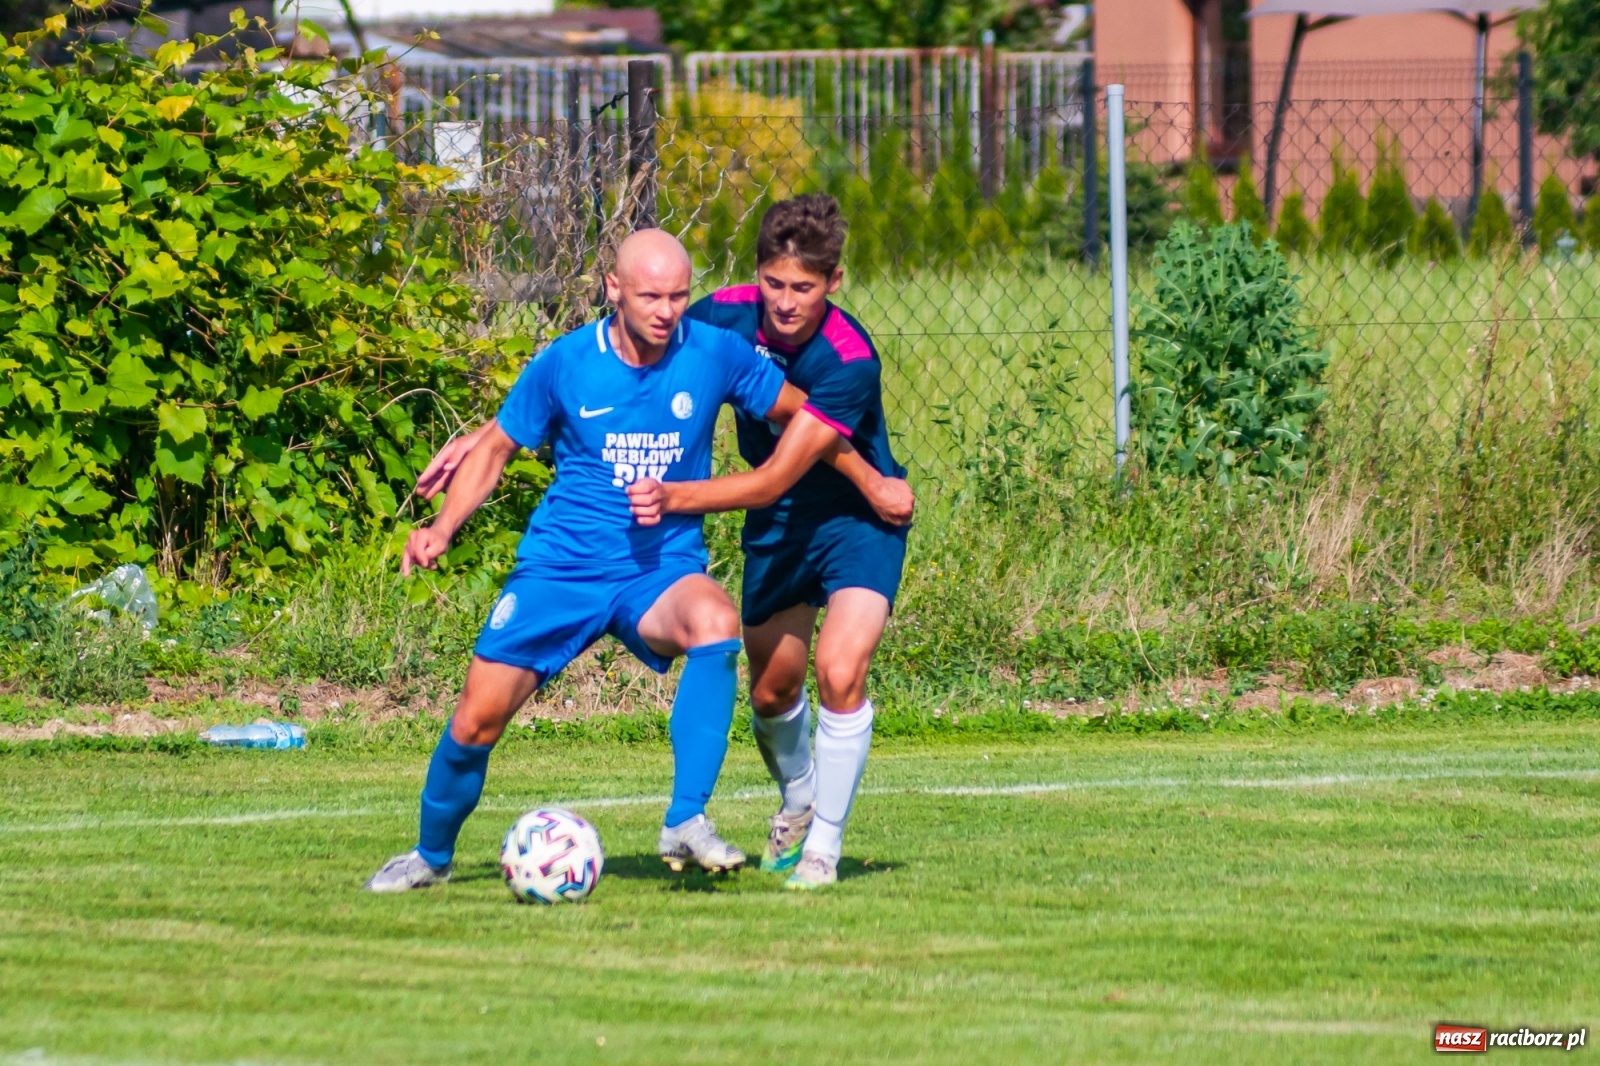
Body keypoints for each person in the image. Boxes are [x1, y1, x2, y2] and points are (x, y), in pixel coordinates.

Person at [364, 229, 902, 892]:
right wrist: (443, 528)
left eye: (679, 295)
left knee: (716, 621)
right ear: (614, 289)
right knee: (476, 718)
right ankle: (430, 856)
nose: (668, 309)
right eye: (651, 295)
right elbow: (500, 445)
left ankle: (685, 820)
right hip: (562, 568)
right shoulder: (566, 363)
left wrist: (870, 477)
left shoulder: (714, 351)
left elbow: (807, 418)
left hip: (660, 570)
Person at [633, 195, 912, 890]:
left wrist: (672, 496)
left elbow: (774, 475)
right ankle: (799, 797)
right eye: (775, 283)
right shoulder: (718, 316)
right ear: (756, 272)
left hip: (855, 523)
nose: (787, 302)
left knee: (839, 672)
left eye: (805, 288)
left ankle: (822, 845)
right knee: (770, 694)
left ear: (834, 282)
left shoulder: (849, 359)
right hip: (780, 528)